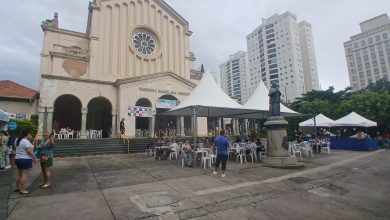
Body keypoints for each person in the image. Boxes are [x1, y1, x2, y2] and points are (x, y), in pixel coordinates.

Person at [15, 129, 39, 194]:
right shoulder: (25, 141)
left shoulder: (17, 139)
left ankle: (17, 187)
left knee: (19, 174)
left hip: (18, 159)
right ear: (27, 134)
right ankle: (22, 190)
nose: (31, 135)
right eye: (30, 134)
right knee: (24, 175)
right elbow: (29, 151)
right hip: (25, 159)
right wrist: (35, 158)